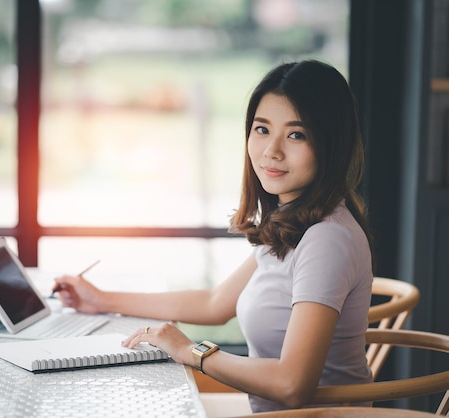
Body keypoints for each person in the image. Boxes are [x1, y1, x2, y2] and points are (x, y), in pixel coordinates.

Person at [52, 60, 374, 413]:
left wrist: (191, 351)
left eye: (297, 134)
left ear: (332, 144)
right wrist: (100, 299)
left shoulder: (327, 239)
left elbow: (291, 385)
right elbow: (214, 303)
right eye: (262, 129)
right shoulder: (296, 223)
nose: (272, 151)